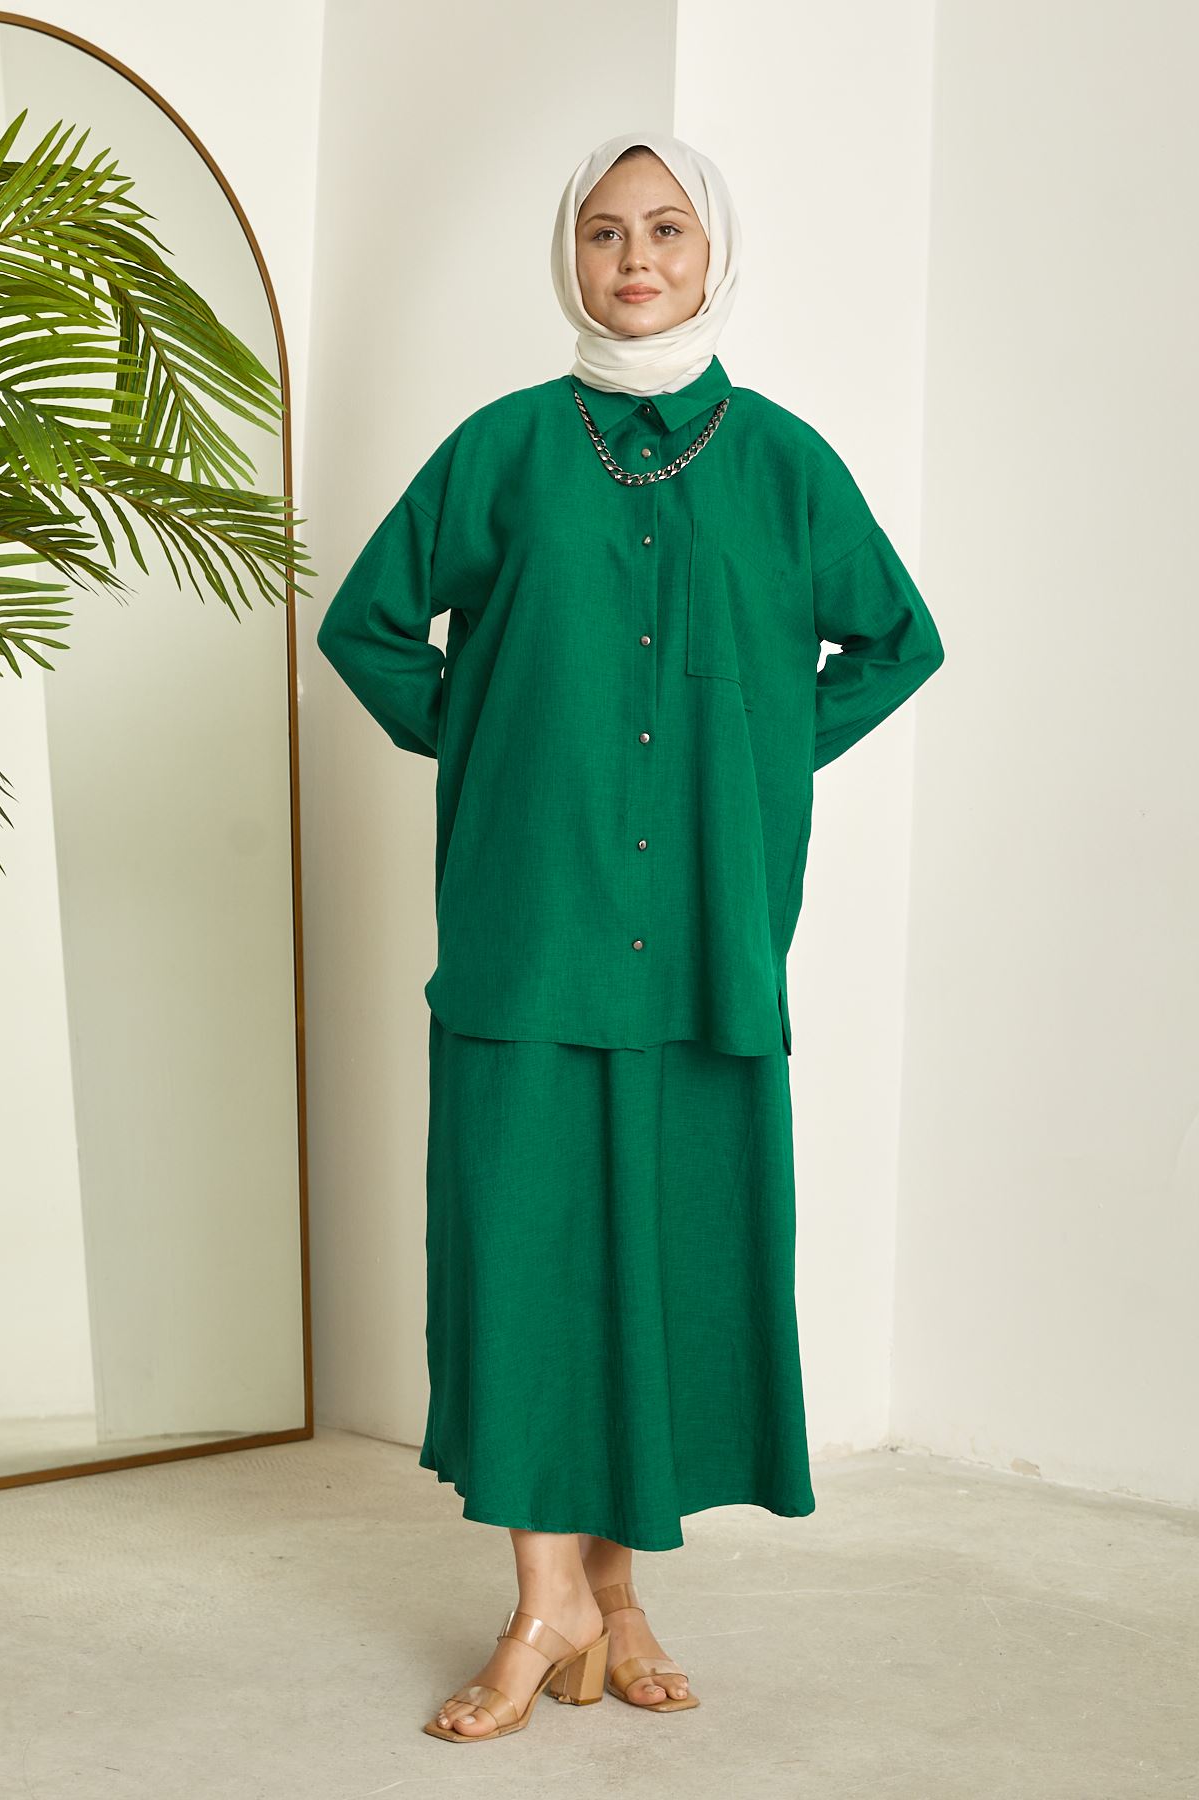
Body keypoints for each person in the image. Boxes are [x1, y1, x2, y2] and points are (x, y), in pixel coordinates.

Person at [316, 130, 945, 1745]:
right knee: (528, 1261)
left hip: (707, 944)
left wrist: (763, 758)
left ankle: (621, 1593)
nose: (636, 258)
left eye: (666, 229)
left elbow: (898, 640)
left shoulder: (783, 461)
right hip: (530, 930)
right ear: (572, 256)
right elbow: (366, 625)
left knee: (661, 1262)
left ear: (711, 253)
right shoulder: (507, 449)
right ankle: (544, 1605)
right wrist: (491, 744)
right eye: (605, 232)